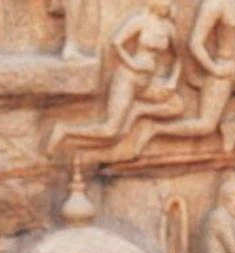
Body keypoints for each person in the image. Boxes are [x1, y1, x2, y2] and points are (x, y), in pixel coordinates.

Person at [134, 0, 235, 154]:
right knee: (205, 125)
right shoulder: (214, 5)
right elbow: (195, 43)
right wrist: (214, 68)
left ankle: (234, 125)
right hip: (223, 69)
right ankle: (154, 129)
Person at [46, 0, 183, 155]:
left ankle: (139, 110)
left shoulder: (168, 28)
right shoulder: (140, 22)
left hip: (147, 83)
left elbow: (179, 58)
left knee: (176, 106)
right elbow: (116, 43)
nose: (167, 4)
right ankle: (64, 130)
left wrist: (172, 80)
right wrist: (132, 63)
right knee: (111, 130)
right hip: (128, 78)